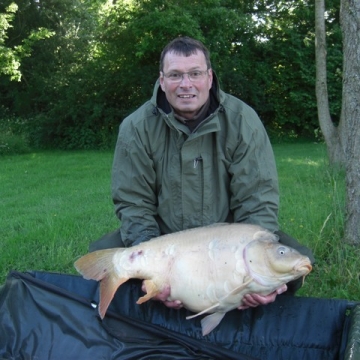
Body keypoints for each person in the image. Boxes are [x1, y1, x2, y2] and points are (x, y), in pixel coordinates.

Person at [90, 36, 314, 310]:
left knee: (293, 265)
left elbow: (257, 200)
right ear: (162, 80)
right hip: (163, 236)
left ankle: (242, 298)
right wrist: (156, 269)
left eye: (195, 74)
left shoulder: (243, 120)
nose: (186, 84)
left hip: (226, 240)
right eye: (175, 75)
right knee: (105, 259)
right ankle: (152, 295)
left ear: (209, 77)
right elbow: (134, 203)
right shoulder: (136, 127)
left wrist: (256, 276)